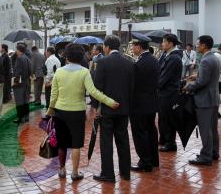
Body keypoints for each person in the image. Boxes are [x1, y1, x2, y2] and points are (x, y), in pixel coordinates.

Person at [46, 43, 119, 181]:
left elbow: (54, 94)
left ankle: (61, 170)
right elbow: (93, 92)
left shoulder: (59, 72)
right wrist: (110, 101)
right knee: (75, 144)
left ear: (66, 56)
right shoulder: (84, 72)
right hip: (77, 113)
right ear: (81, 56)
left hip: (60, 112)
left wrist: (50, 110)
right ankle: (74, 172)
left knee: (61, 143)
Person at [92, 35, 134, 183]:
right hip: (124, 109)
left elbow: (98, 87)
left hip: (108, 109)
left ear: (107, 47)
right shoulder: (129, 63)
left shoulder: (103, 63)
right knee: (123, 140)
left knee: (106, 142)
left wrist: (96, 107)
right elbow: (132, 88)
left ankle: (108, 174)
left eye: (104, 45)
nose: (103, 48)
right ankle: (125, 172)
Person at [184, 35, 220, 165]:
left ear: (204, 45)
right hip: (213, 97)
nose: (196, 46)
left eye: (198, 44)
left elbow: (202, 82)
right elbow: (208, 77)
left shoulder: (205, 60)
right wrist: (197, 75)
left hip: (204, 100)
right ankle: (214, 152)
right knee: (212, 128)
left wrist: (188, 87)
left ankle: (206, 156)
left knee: (205, 129)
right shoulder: (214, 58)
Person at [129, 34, 160, 172]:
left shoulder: (140, 63)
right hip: (151, 103)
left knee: (140, 133)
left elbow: (134, 85)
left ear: (139, 47)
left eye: (133, 46)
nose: (132, 48)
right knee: (151, 131)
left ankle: (145, 162)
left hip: (139, 105)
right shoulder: (154, 60)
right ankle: (153, 160)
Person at [158, 33, 183, 152]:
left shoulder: (174, 58)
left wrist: (155, 86)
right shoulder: (166, 55)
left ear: (171, 44)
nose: (162, 44)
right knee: (163, 118)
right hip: (164, 93)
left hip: (169, 93)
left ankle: (170, 143)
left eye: (164, 42)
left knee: (169, 118)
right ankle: (163, 139)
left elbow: (164, 77)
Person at [12, 43, 32, 123]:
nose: (16, 51)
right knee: (25, 100)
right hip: (26, 82)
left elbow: (18, 72)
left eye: (16, 49)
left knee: (19, 101)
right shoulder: (27, 58)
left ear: (19, 50)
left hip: (20, 83)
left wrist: (15, 82)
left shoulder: (20, 58)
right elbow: (30, 70)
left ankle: (20, 117)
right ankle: (26, 117)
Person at [44, 47, 61, 113]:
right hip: (56, 80)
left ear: (49, 52)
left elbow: (50, 71)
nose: (45, 53)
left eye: (46, 51)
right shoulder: (57, 59)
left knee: (49, 97)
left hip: (51, 81)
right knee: (54, 96)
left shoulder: (50, 59)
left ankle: (49, 112)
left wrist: (47, 81)